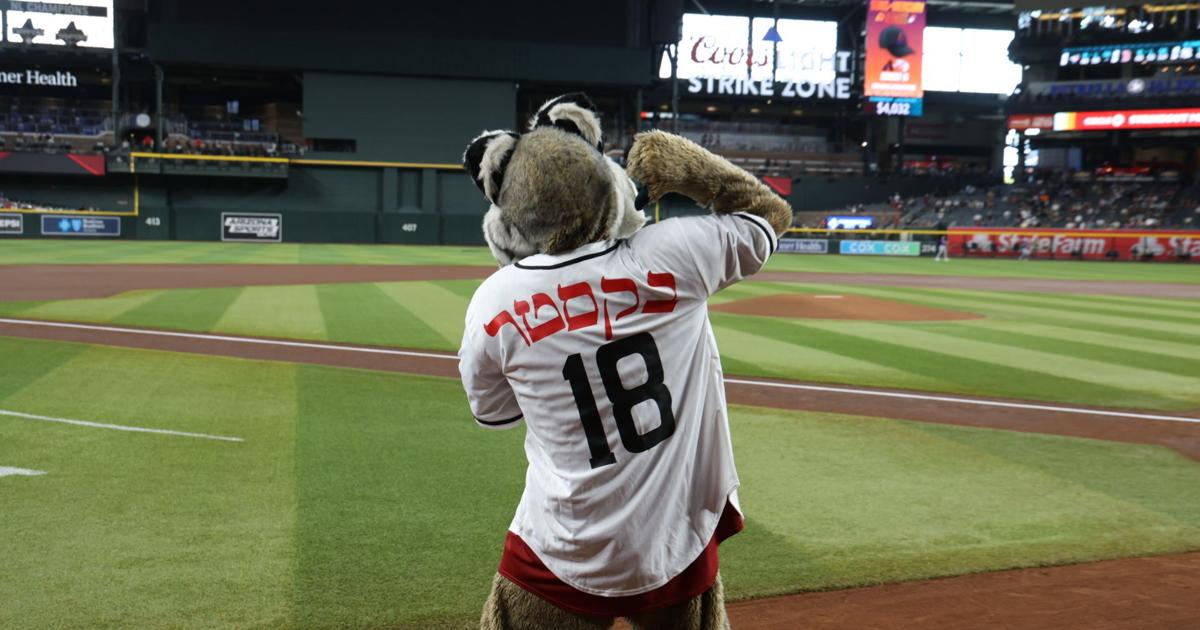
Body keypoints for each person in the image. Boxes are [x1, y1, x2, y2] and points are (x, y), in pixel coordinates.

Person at [458, 94, 791, 630]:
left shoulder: (495, 302)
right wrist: (689, 167)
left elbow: (494, 413)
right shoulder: (674, 252)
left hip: (558, 550)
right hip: (675, 545)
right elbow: (769, 216)